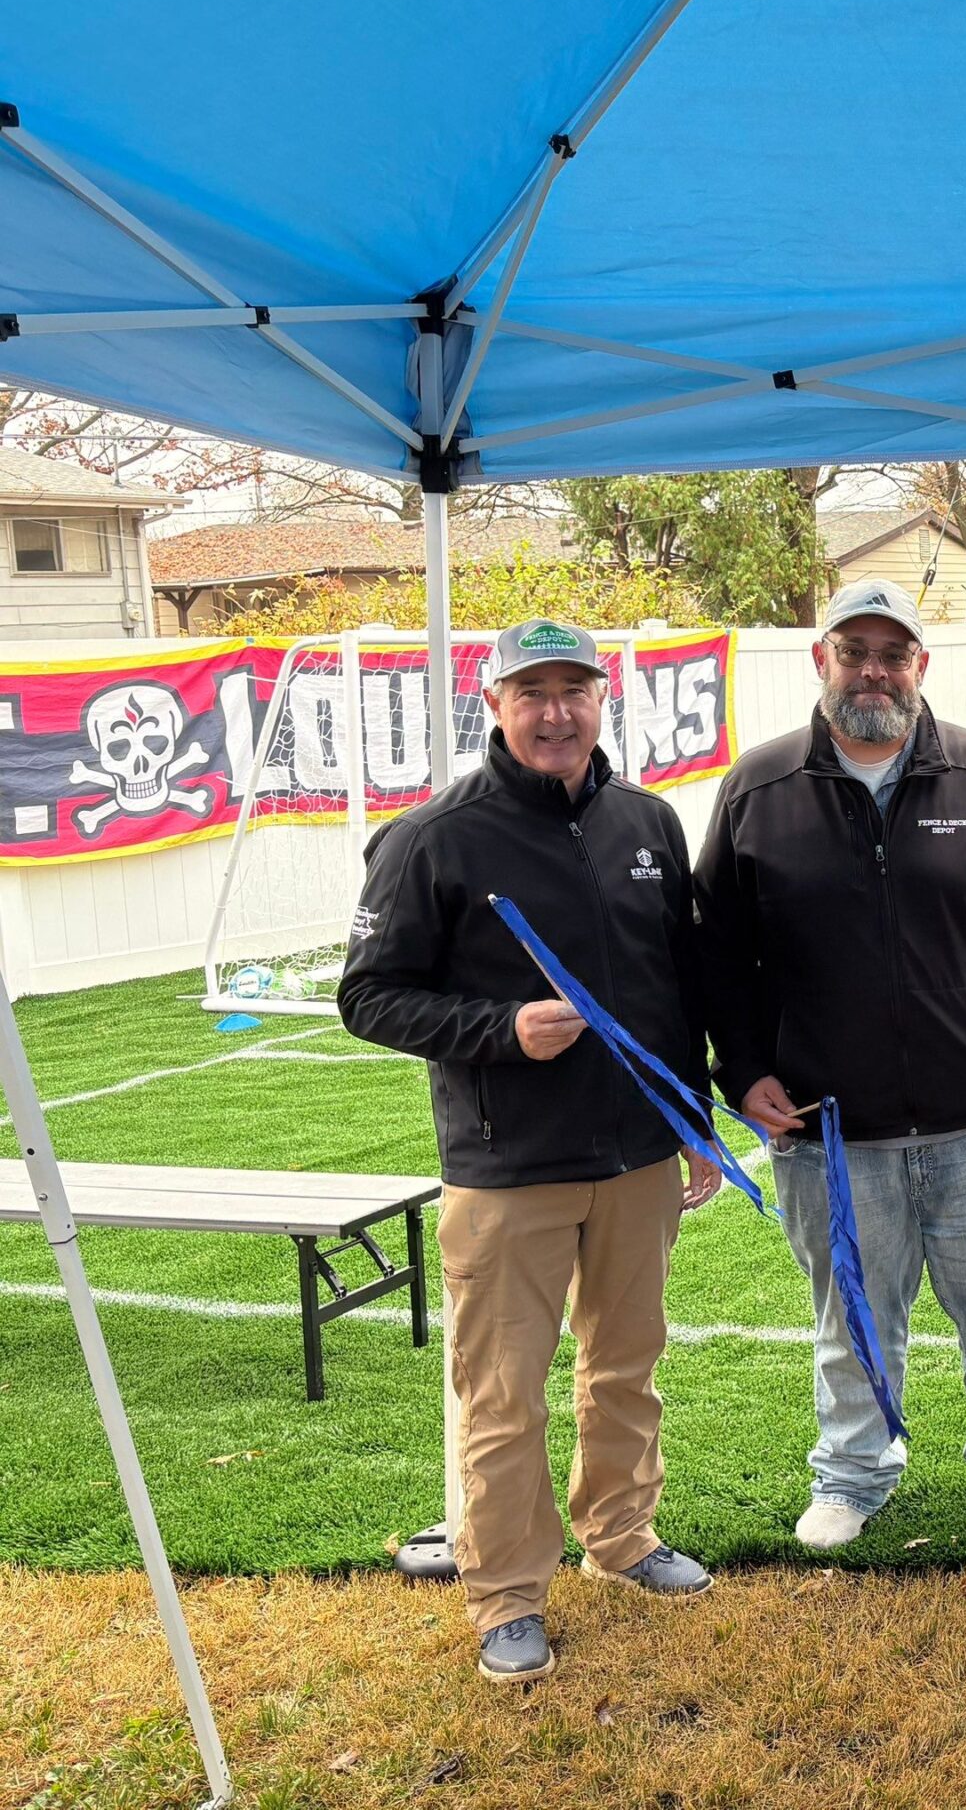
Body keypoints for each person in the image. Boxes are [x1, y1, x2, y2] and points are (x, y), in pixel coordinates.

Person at [340, 618, 720, 1685]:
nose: (556, 713)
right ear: (495, 702)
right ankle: (507, 1593)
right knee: (505, 1393)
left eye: (574, 690)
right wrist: (501, 1030)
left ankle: (621, 1537)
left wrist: (691, 1115)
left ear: (602, 699)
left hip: (637, 1158)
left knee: (626, 1365)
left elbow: (675, 987)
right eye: (532, 692)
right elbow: (368, 996)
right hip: (509, 1167)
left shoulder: (647, 821)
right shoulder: (434, 837)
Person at [694, 578, 966, 1544]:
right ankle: (852, 1474)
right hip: (833, 1127)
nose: (873, 671)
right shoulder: (758, 789)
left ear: (921, 665)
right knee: (852, 1317)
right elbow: (716, 951)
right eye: (854, 651)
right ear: (821, 660)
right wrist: (743, 1069)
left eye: (892, 653)